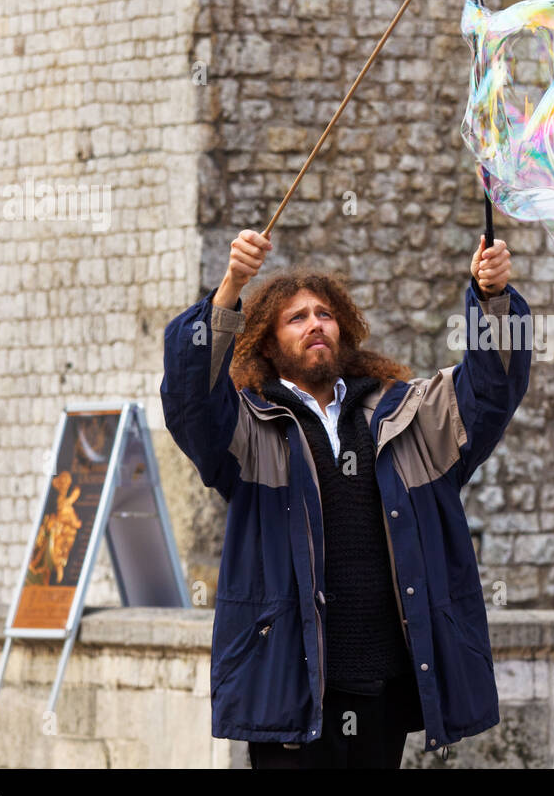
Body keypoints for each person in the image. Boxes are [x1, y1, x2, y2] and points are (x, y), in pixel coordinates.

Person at [160, 226, 531, 768]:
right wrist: (231, 287)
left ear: (344, 329)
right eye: (297, 317)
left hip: (382, 686)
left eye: (324, 314)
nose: (315, 323)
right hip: (292, 688)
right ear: (267, 341)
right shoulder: (246, 427)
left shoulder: (406, 417)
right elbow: (190, 395)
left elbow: (490, 392)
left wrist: (493, 300)